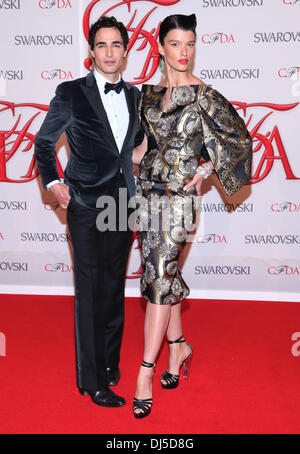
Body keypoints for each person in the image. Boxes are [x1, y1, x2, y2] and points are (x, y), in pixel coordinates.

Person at [132, 13, 252, 418]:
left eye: (191, 44)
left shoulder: (205, 96)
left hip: (179, 201)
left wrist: (204, 171)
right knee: (160, 278)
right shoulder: (147, 94)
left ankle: (145, 372)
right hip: (147, 198)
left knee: (160, 279)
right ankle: (179, 346)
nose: (184, 52)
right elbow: (141, 148)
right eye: (176, 44)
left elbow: (238, 140)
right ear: (161, 47)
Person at [34, 16, 143, 407]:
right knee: (91, 289)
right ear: (91, 52)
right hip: (83, 203)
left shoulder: (134, 97)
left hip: (121, 203)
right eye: (102, 45)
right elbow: (44, 143)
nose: (109, 52)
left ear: (126, 52)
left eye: (116, 45)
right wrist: (54, 184)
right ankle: (93, 380)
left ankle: (110, 364)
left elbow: (138, 146)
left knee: (114, 287)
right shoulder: (71, 93)